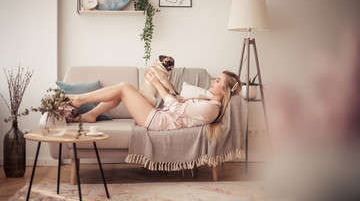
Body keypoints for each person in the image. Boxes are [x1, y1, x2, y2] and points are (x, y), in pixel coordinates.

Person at [68, 70, 241, 141]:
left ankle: (78, 99)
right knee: (121, 93)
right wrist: (164, 84)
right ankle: (91, 114)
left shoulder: (211, 109)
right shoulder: (207, 102)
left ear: (224, 91)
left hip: (157, 121)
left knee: (124, 87)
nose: (212, 81)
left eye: (217, 81)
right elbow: (180, 102)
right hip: (158, 116)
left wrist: (158, 85)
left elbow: (177, 109)